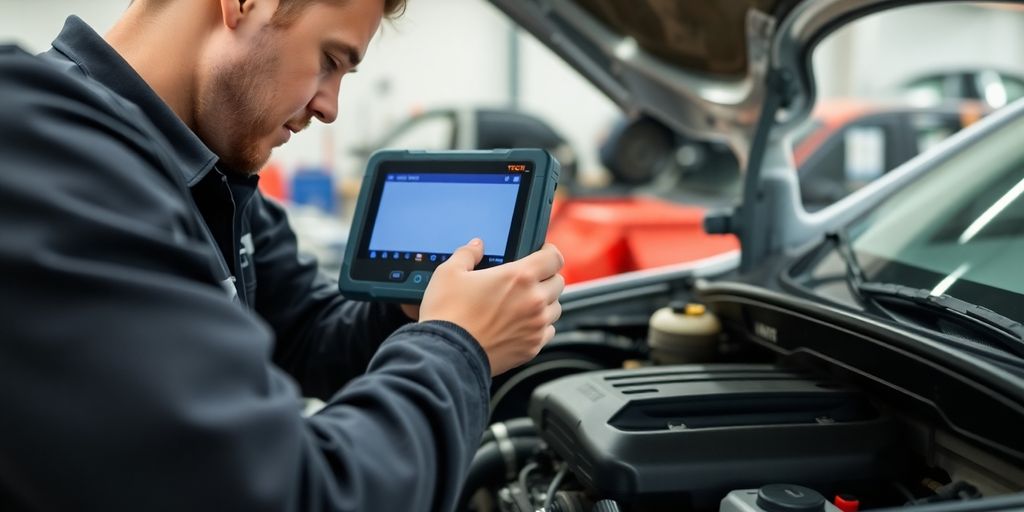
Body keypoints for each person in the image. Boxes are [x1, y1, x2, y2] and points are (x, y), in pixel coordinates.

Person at [0, 0, 564, 510]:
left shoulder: (203, 167)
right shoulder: (45, 160)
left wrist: (416, 308)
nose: (330, 107)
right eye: (329, 59)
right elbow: (298, 495)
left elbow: (306, 334)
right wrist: (456, 347)